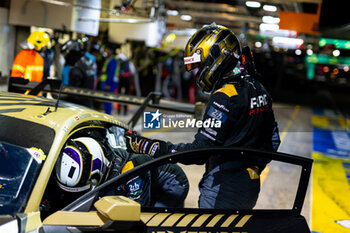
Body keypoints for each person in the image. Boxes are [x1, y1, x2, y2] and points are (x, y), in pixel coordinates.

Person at [124, 23, 281, 209]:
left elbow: (199, 152)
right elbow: (273, 140)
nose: (197, 73)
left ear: (216, 57)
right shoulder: (257, 87)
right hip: (249, 185)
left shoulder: (225, 96)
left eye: (199, 66)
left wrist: (149, 146)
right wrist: (251, 168)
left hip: (222, 189)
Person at [100, 44, 119, 114]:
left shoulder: (112, 60)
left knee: (107, 100)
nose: (105, 51)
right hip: (107, 82)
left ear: (110, 50)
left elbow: (111, 73)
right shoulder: (109, 59)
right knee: (106, 100)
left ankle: (108, 114)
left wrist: (108, 84)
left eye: (106, 49)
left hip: (109, 83)